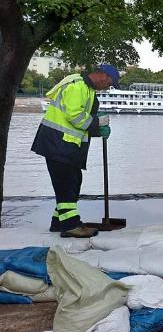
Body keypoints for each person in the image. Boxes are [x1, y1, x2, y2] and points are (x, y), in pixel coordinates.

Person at [31, 64, 120, 238]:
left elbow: (82, 121)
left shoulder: (88, 90)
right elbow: (75, 116)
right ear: (103, 76)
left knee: (72, 182)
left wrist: (96, 128)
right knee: (67, 184)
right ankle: (71, 225)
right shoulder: (77, 86)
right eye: (109, 84)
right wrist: (97, 124)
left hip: (66, 144)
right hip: (58, 143)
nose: (108, 88)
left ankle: (59, 223)